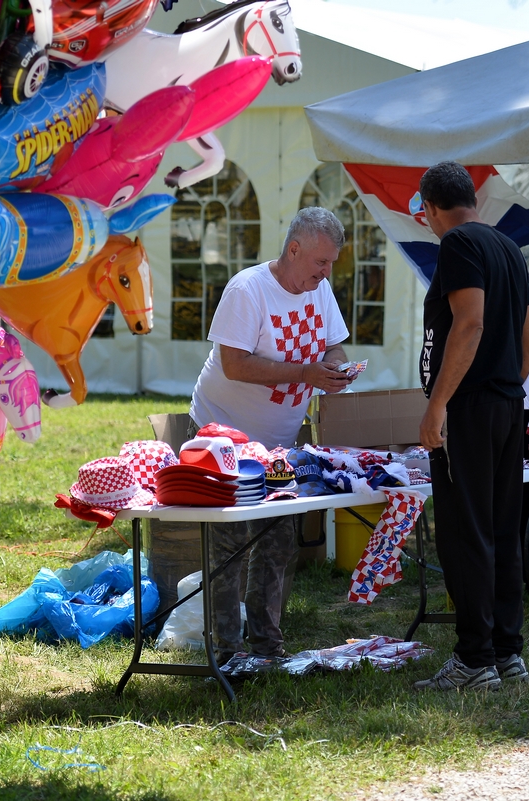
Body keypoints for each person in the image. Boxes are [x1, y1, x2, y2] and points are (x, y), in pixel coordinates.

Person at [189, 206, 354, 662]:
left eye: (331, 263)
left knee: (278, 541)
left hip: (277, 442)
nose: (327, 272)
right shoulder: (248, 289)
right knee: (229, 544)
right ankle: (226, 652)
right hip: (222, 436)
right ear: (294, 249)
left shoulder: (319, 290)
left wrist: (336, 368)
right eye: (321, 262)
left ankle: (266, 647)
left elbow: (333, 344)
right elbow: (234, 364)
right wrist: (305, 372)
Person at [414, 161, 529, 691]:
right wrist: (506, 384)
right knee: (501, 528)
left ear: (430, 207)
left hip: (469, 407)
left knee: (466, 531)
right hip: (507, 403)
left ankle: (473, 660)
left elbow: (469, 323)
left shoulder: (458, 243)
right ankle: (505, 651)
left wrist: (438, 404)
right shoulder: (507, 247)